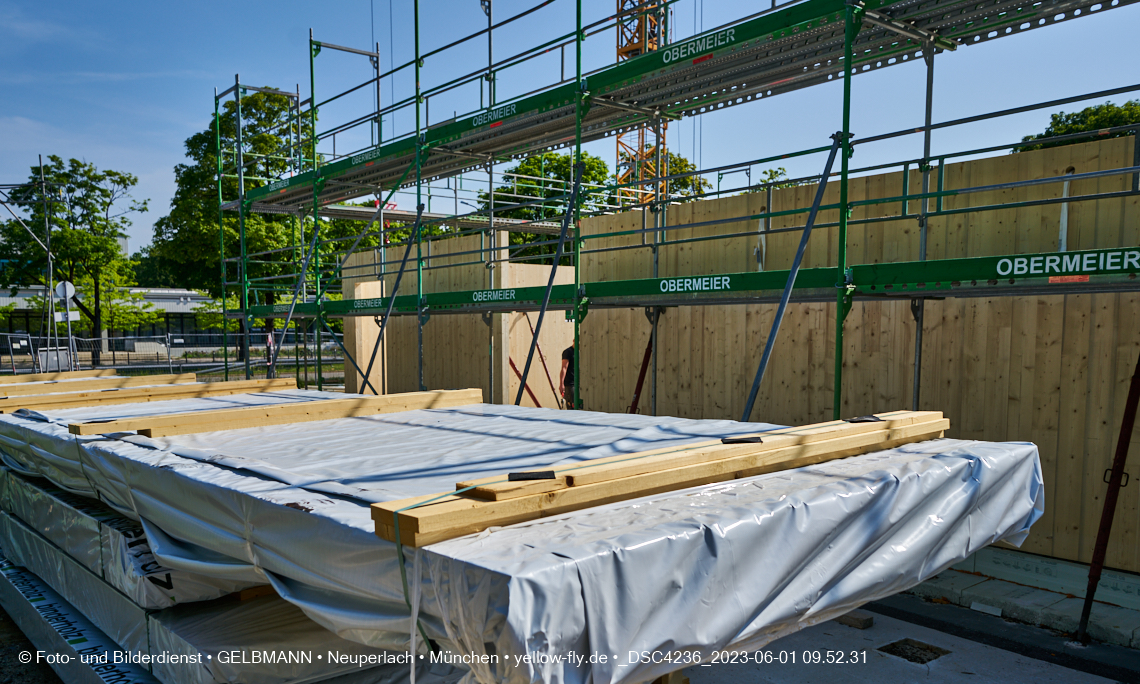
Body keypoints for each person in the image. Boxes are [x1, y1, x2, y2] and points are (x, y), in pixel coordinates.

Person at [560, 344, 575, 409]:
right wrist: (561, 384)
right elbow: (564, 368)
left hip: (579, 384)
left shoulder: (581, 352)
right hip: (570, 384)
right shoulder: (568, 352)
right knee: (571, 405)